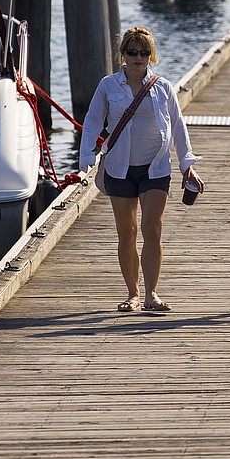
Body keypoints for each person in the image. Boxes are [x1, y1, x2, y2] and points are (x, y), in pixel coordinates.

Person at [79, 26, 203, 312]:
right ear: (123, 54)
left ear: (151, 55)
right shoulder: (108, 85)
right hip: (119, 168)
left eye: (144, 52)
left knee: (152, 229)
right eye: (132, 52)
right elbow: (93, 121)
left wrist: (187, 165)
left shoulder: (162, 87)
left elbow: (178, 127)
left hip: (155, 167)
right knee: (127, 232)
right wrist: (86, 155)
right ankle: (133, 294)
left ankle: (152, 294)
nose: (138, 57)